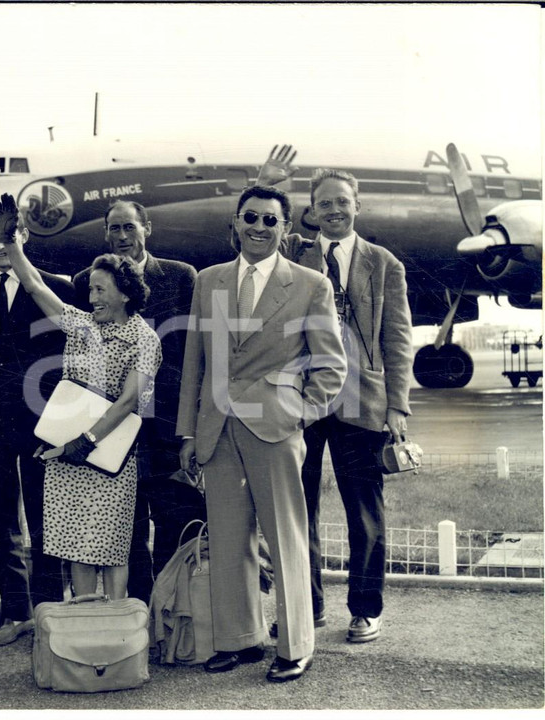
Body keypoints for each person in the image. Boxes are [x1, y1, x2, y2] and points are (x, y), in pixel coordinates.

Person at [177, 185, 346, 683]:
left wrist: (298, 411)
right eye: (249, 217)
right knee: (228, 539)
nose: (258, 227)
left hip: (275, 426)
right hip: (217, 427)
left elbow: (332, 367)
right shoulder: (208, 281)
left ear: (285, 229)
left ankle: (295, 646)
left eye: (270, 220)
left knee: (285, 537)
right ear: (235, 222)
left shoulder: (311, 285)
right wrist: (188, 432)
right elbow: (195, 364)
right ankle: (239, 639)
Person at [0, 194, 162, 601]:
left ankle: (117, 641)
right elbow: (34, 284)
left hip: (105, 458)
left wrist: (85, 441)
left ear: (124, 293)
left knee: (111, 551)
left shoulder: (144, 338)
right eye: (90, 291)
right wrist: (12, 240)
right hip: (68, 459)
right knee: (76, 550)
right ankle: (86, 640)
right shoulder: (82, 325)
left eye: (101, 291)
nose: (93, 299)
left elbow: (128, 403)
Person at [281, 168, 412, 643]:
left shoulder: (384, 263)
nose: (334, 211)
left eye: (342, 202)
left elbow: (397, 339)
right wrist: (266, 182)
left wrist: (397, 406)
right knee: (298, 510)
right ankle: (307, 605)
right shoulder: (292, 255)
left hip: (362, 402)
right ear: (311, 211)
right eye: (324, 204)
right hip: (302, 402)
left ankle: (366, 608)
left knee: (365, 512)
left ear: (358, 205)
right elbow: (249, 238)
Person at [72, 200, 203, 603]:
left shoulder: (182, 277)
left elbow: (195, 354)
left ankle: (168, 616)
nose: (123, 236)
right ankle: (137, 617)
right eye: (114, 229)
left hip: (165, 426)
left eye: (130, 227)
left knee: (172, 525)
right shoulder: (85, 282)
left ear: (147, 227)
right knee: (123, 532)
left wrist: (190, 428)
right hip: (114, 425)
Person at [0, 204, 74, 644]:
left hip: (42, 425)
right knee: (5, 523)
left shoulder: (57, 287)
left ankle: (49, 613)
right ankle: (16, 613)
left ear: (23, 235)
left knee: (48, 524)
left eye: (6, 235)